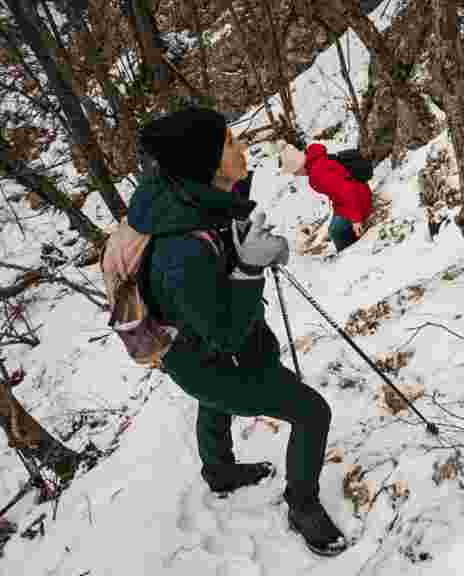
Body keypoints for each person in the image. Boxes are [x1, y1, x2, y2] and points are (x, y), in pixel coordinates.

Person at [131, 107, 348, 557]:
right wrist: (250, 264)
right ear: (205, 162)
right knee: (311, 413)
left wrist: (249, 244)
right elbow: (223, 335)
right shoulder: (180, 253)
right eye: (229, 143)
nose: (242, 146)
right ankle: (301, 504)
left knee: (216, 401)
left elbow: (228, 216)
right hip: (209, 359)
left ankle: (219, 472)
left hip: (206, 347)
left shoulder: (195, 196)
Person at [279, 142, 372, 253]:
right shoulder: (316, 162)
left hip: (359, 197)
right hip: (351, 196)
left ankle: (349, 254)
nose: (295, 175)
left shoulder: (318, 172)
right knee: (335, 226)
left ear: (299, 166)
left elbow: (346, 191)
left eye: (295, 172)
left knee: (336, 231)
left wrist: (356, 220)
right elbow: (338, 190)